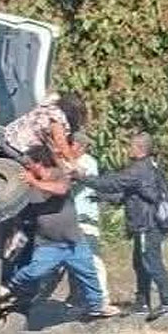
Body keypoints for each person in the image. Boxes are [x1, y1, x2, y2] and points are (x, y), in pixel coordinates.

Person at [2, 144, 120, 318]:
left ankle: (97, 306)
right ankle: (9, 287)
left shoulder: (59, 175)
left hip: (73, 241)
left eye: (29, 164)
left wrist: (34, 182)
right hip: (48, 243)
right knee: (35, 271)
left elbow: (61, 189)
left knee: (88, 273)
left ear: (39, 163)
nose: (27, 168)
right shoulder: (27, 183)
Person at [76, 132, 168, 317]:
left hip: (148, 224)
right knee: (140, 263)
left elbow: (113, 183)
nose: (128, 149)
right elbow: (128, 194)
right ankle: (142, 302)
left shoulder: (139, 170)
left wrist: (83, 178)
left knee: (151, 262)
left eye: (131, 146)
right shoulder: (149, 167)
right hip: (145, 223)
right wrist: (101, 197)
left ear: (139, 149)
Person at [36, 132, 111, 307]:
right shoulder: (71, 162)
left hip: (85, 219)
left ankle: (101, 299)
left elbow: (71, 177)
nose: (67, 147)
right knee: (69, 260)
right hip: (71, 219)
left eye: (71, 144)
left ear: (80, 146)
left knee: (92, 259)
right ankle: (77, 297)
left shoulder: (87, 162)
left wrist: (55, 155)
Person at [2, 92, 87, 168]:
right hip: (17, 147)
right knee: (48, 171)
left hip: (9, 138)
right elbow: (61, 143)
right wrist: (73, 163)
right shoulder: (57, 117)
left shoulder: (49, 107)